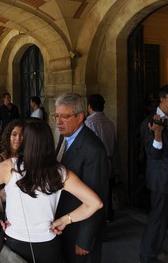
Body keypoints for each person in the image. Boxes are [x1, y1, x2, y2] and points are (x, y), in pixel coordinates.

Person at [0, 119, 103, 263]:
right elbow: (95, 203)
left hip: (14, 242)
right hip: (48, 244)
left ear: (26, 142)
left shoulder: (9, 167)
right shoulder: (60, 172)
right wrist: (65, 220)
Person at [54, 92, 109, 263]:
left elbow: (98, 196)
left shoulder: (93, 149)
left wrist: (85, 240)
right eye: (56, 116)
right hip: (64, 225)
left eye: (64, 116)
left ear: (80, 117)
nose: (58, 122)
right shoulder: (65, 138)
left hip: (80, 229)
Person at [139, 84, 168, 263]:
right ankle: (147, 256)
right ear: (162, 99)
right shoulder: (149, 121)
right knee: (157, 218)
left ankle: (155, 250)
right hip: (160, 179)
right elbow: (153, 154)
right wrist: (157, 134)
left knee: (164, 218)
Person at [85, 93, 118, 221]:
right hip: (109, 161)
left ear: (89, 107)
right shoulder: (110, 123)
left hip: (96, 163)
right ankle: (108, 215)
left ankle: (99, 220)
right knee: (107, 190)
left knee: (95, 191)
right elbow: (115, 145)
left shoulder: (88, 123)